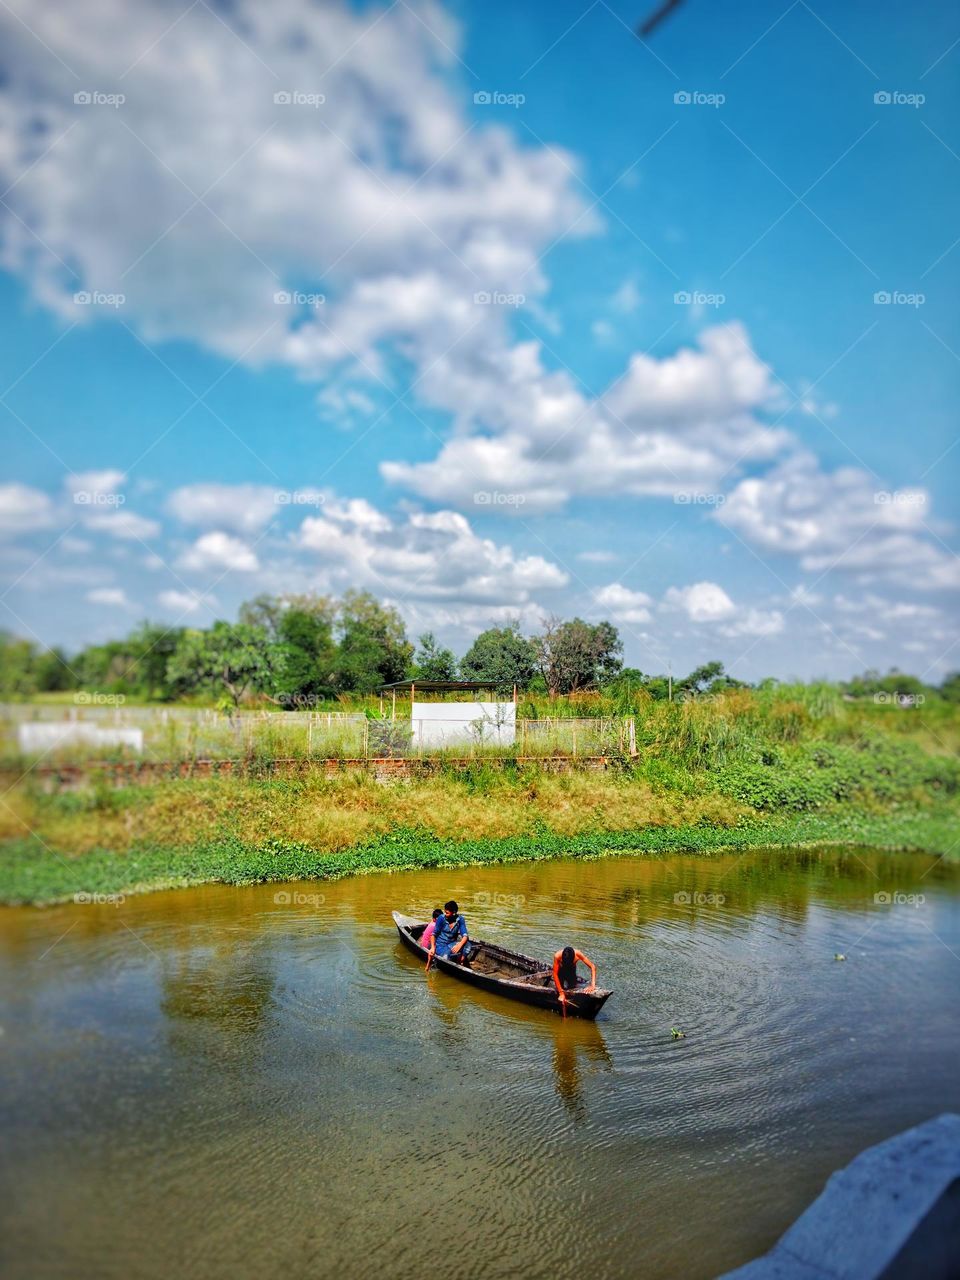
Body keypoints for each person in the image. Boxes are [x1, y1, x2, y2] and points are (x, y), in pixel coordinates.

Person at [552, 945, 597, 1015]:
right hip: (561, 972)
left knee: (572, 987)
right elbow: (555, 974)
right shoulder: (557, 956)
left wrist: (592, 985)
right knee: (560, 989)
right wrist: (561, 993)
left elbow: (592, 967)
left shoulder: (578, 954)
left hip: (571, 972)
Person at [426, 900, 469, 967]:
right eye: (445, 912)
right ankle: (452, 960)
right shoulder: (441, 918)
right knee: (446, 956)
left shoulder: (460, 919)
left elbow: (465, 935)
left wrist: (460, 945)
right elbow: (433, 935)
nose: (445, 914)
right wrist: (432, 948)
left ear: (454, 913)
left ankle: (460, 961)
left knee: (468, 945)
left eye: (447, 913)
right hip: (439, 945)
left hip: (450, 945)